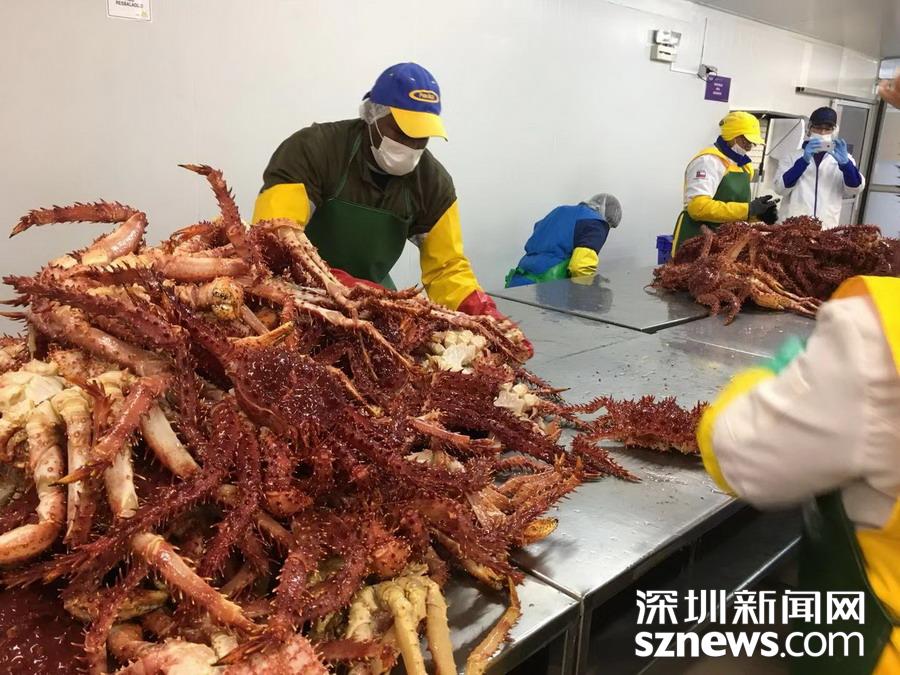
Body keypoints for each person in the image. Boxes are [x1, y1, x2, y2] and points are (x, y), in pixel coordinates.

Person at [252, 62, 513, 323]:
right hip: (297, 295)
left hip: (376, 305)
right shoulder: (313, 150)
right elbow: (274, 237)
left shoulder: (433, 183)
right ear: (373, 115)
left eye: (421, 136)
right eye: (401, 132)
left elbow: (447, 269)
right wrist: (334, 283)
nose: (411, 145)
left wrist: (480, 309)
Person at [672, 111, 778, 254]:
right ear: (732, 136)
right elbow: (698, 207)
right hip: (697, 238)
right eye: (746, 141)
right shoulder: (708, 161)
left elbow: (734, 207)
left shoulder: (744, 166)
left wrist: (757, 214)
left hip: (727, 240)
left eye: (752, 143)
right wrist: (748, 210)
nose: (749, 147)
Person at [773, 107, 865, 229]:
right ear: (809, 128)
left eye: (827, 129)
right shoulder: (792, 157)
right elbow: (780, 189)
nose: (822, 132)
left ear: (834, 131)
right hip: (793, 228)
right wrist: (803, 162)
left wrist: (846, 165)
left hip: (826, 229)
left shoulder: (843, 158)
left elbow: (855, 189)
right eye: (817, 127)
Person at [504, 194, 622, 287]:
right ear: (608, 218)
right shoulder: (596, 223)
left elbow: (537, 233)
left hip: (518, 280)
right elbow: (580, 267)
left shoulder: (560, 211)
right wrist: (590, 289)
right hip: (548, 288)